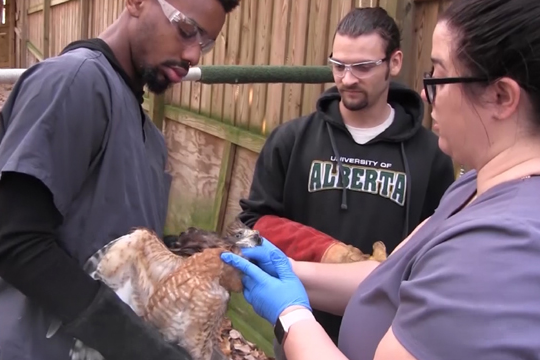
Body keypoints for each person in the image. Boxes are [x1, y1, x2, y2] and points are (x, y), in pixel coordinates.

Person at [223, 0, 540, 359]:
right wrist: (292, 271)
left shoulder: (505, 244)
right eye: (339, 65)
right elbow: (385, 280)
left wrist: (291, 313)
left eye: (438, 75)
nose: (425, 92)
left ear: (501, 97)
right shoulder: (471, 187)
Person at [0, 0, 240, 359]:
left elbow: (103, 241)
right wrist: (147, 351)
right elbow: (16, 244)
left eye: (205, 42)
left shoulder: (149, 134)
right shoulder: (73, 83)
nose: (194, 53)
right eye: (185, 30)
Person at [237, 6, 455, 350]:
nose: (347, 78)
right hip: (301, 319)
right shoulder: (292, 141)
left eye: (363, 67)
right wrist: (327, 252)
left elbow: (437, 247)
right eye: (339, 65)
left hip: (387, 338)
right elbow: (254, 224)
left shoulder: (431, 155)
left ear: (394, 63)